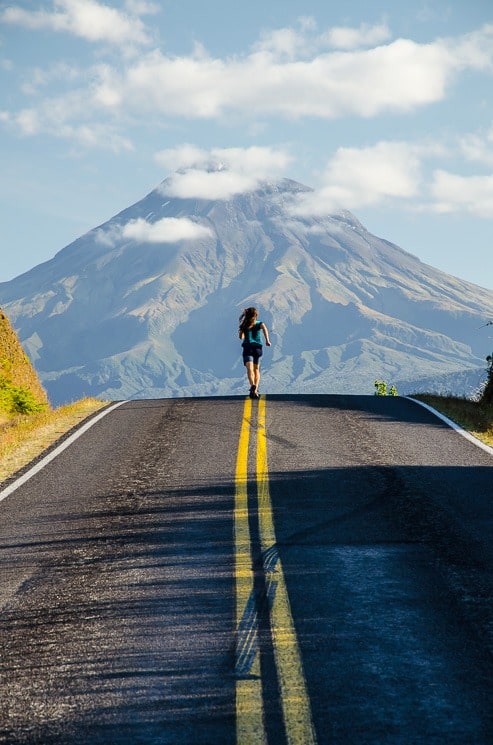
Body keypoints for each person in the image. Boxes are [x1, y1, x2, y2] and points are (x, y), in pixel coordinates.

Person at [238, 307, 271, 399]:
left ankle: (252, 385)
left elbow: (241, 337)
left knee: (250, 369)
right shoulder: (260, 323)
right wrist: (267, 341)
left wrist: (242, 330)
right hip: (257, 348)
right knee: (256, 369)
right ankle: (255, 389)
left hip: (248, 348)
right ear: (256, 315)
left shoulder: (244, 325)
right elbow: (265, 330)